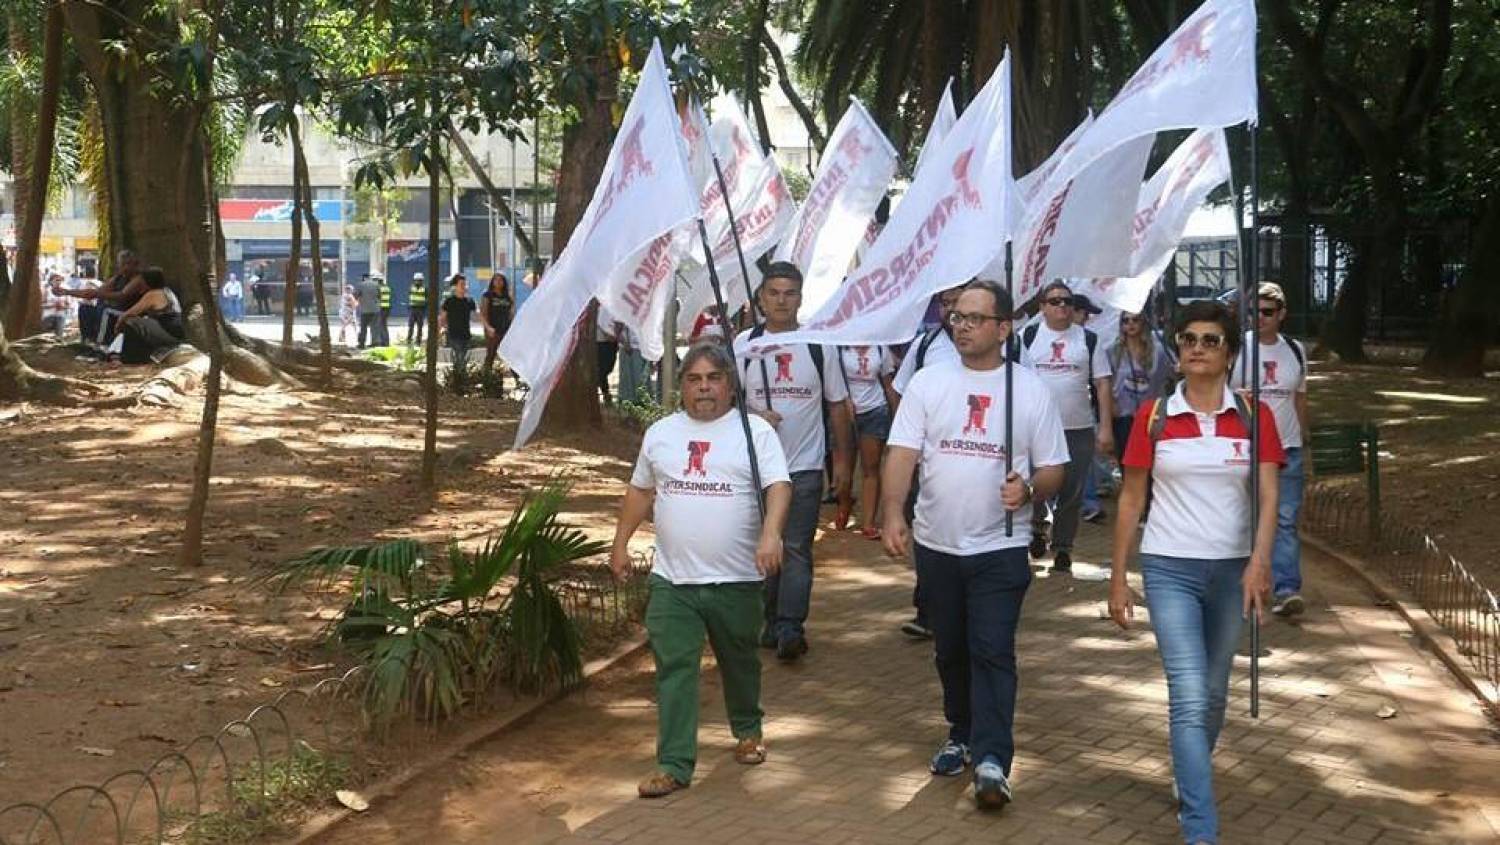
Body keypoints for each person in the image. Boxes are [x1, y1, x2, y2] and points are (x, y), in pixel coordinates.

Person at [881, 280, 1068, 810]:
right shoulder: (928, 383)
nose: (961, 326)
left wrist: (1030, 488)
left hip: (1000, 547)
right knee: (952, 650)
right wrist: (893, 512)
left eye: (974, 318)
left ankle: (992, 759)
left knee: (992, 649)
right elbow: (901, 454)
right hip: (938, 545)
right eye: (956, 317)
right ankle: (960, 732)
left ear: (1003, 327)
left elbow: (1056, 467)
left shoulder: (1028, 389)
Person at [1109, 300, 1282, 845]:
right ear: (1177, 351)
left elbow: (1269, 496)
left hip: (1233, 572)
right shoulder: (1154, 416)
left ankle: (1190, 773)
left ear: (1230, 352)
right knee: (1187, 694)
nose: (1198, 349)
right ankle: (1201, 828)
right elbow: (1131, 500)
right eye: (1188, 340)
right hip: (1169, 567)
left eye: (1210, 340)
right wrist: (1118, 577)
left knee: (1213, 693)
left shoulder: (1255, 416)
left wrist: (1259, 563)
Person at [611, 341, 792, 798]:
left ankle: (748, 728)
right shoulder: (662, 433)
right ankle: (674, 763)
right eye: (694, 379)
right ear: (682, 387)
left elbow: (779, 487)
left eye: (713, 378)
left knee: (740, 660)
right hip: (674, 580)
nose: (704, 388)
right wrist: (619, 544)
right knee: (675, 668)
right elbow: (639, 492)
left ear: (730, 385)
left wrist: (771, 534)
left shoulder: (755, 433)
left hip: (736, 579)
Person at [733, 261, 852, 662]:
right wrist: (751, 418)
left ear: (801, 298)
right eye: (774, 292)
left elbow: (836, 407)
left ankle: (789, 627)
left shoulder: (819, 345)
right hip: (754, 470)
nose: (781, 300)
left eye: (790, 293)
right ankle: (770, 620)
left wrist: (842, 464)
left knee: (797, 547)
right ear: (761, 298)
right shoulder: (743, 346)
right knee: (764, 547)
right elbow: (722, 406)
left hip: (803, 467)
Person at [1018, 280, 1115, 572]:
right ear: (1042, 307)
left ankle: (1063, 548)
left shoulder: (1088, 339)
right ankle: (1036, 529)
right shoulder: (1029, 335)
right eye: (1055, 301)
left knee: (1071, 491)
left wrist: (1106, 427)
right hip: (1036, 427)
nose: (1062, 307)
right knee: (1035, 484)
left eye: (1067, 302)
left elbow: (1102, 383)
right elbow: (1015, 378)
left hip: (1077, 427)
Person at [1230, 281, 1310, 617]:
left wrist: (1304, 441)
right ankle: (1240, 582)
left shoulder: (1295, 349)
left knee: (1285, 519)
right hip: (1247, 445)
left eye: (1266, 312)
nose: (1259, 318)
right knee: (1241, 517)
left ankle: (1287, 588)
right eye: (1254, 312)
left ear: (1281, 314)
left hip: (1286, 447)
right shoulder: (1239, 348)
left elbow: (1300, 398)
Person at [891, 284, 964, 640]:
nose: (952, 309)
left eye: (958, 301)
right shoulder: (925, 346)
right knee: (928, 531)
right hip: (931, 460)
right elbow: (900, 389)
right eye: (946, 302)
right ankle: (928, 610)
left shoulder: (1006, 347)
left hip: (981, 460)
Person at [835, 345, 897, 538]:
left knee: (871, 467)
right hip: (844, 412)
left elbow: (888, 384)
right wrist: (843, 402)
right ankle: (844, 502)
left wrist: (897, 417)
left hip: (875, 410)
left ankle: (868, 523)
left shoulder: (880, 349)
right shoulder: (838, 348)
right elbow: (831, 382)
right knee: (844, 469)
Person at [1108, 310, 1176, 460]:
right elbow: (1106, 382)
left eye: (1135, 320)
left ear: (1143, 323)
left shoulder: (1158, 351)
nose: (1131, 324)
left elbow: (1177, 371)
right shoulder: (1113, 352)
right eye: (1126, 321)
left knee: (1153, 462)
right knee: (1127, 462)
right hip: (1124, 417)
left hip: (1151, 415)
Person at [112, 267, 185, 364]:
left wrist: (117, 326)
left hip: (169, 330)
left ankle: (129, 358)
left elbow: (129, 314)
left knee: (131, 322)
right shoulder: (168, 291)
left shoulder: (153, 294)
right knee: (143, 323)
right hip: (177, 330)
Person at [438, 274, 476, 372]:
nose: (464, 286)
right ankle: (460, 378)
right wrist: (438, 332)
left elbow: (475, 316)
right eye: (461, 284)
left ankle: (459, 377)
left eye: (465, 284)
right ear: (455, 286)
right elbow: (442, 318)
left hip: (466, 334)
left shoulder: (469, 301)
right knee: (460, 357)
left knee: (462, 357)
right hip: (454, 334)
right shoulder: (449, 301)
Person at [479, 273, 513, 377]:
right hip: (493, 330)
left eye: (501, 280)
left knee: (510, 355)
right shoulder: (487, 295)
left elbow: (511, 313)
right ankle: (486, 378)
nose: (498, 282)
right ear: (492, 282)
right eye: (496, 280)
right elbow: (482, 314)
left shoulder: (507, 296)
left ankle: (518, 379)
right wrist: (488, 327)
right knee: (491, 355)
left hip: (505, 329)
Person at [596, 315, 620, 405]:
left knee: (608, 368)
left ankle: (605, 392)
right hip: (598, 342)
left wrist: (616, 338)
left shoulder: (610, 308)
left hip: (611, 342)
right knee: (601, 370)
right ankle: (606, 393)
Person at [41, 272, 73, 338]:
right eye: (56, 280)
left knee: (58, 336)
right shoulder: (47, 290)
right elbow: (41, 305)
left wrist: (63, 306)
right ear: (51, 281)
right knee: (45, 335)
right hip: (48, 316)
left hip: (60, 316)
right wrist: (52, 305)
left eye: (60, 280)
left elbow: (69, 305)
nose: (58, 282)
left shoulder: (65, 291)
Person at [355, 273, 382, 349]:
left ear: (363, 278)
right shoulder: (376, 285)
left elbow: (356, 295)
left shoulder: (360, 285)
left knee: (363, 327)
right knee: (374, 327)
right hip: (375, 310)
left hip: (365, 310)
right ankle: (375, 342)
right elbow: (380, 296)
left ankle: (362, 343)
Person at [405, 272, 428, 345]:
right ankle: (409, 340)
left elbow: (427, 299)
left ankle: (418, 341)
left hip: (421, 309)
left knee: (419, 326)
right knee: (411, 325)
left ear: (422, 280)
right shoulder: (411, 288)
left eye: (419, 280)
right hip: (412, 309)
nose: (418, 281)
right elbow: (409, 297)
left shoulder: (425, 288)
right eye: (416, 280)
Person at [376, 273, 393, 346]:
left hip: (381, 308)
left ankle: (384, 342)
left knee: (381, 325)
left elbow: (377, 298)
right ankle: (385, 341)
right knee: (384, 325)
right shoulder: (387, 287)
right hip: (387, 308)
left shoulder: (379, 288)